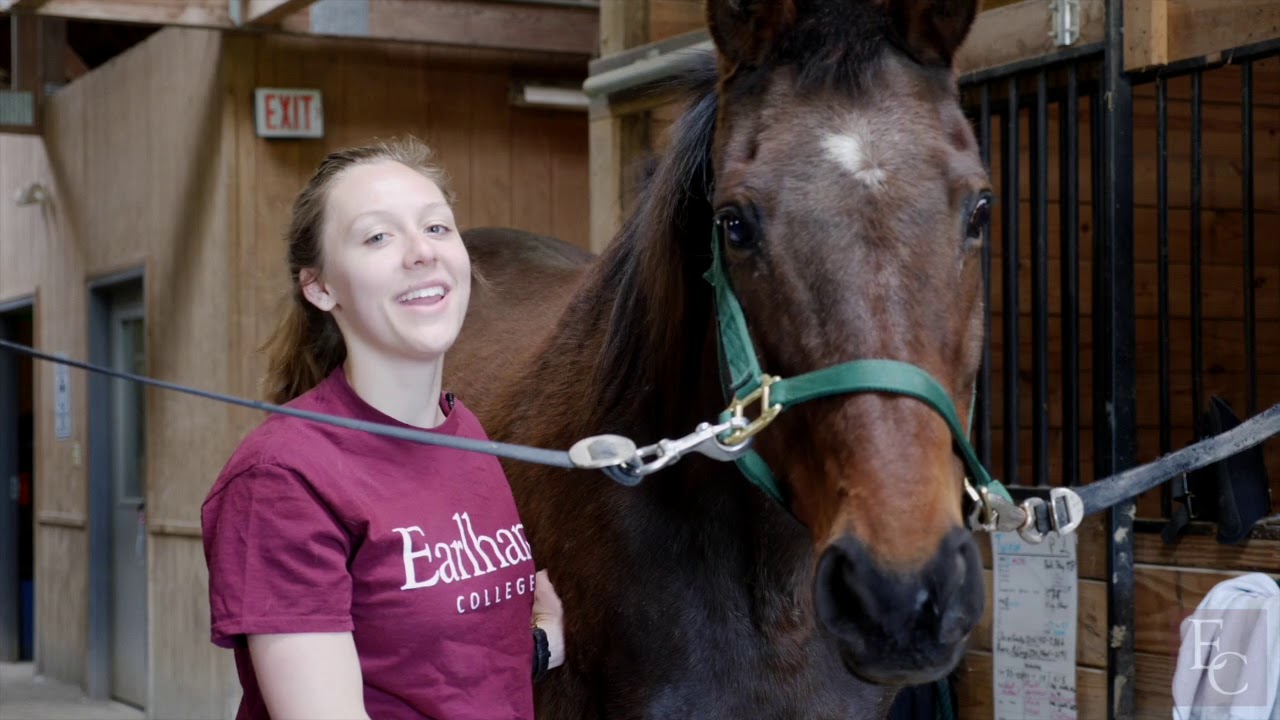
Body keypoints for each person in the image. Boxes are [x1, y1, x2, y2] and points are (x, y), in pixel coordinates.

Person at [201, 137, 565, 720]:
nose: (421, 252)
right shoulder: (281, 479)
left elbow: (439, 665)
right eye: (377, 236)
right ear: (319, 286)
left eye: (438, 229)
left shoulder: (464, 429)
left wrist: (538, 645)